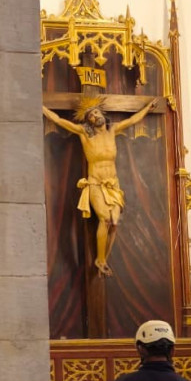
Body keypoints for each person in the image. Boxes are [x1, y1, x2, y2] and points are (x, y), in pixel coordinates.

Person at [42, 95, 159, 276]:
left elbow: (132, 120)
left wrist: (147, 108)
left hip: (113, 184)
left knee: (114, 223)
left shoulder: (112, 130)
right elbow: (58, 120)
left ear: (102, 113)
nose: (95, 116)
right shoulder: (84, 133)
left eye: (96, 112)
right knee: (104, 218)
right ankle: (101, 260)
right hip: (95, 183)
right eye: (91, 116)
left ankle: (101, 259)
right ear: (88, 121)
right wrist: (41, 107)